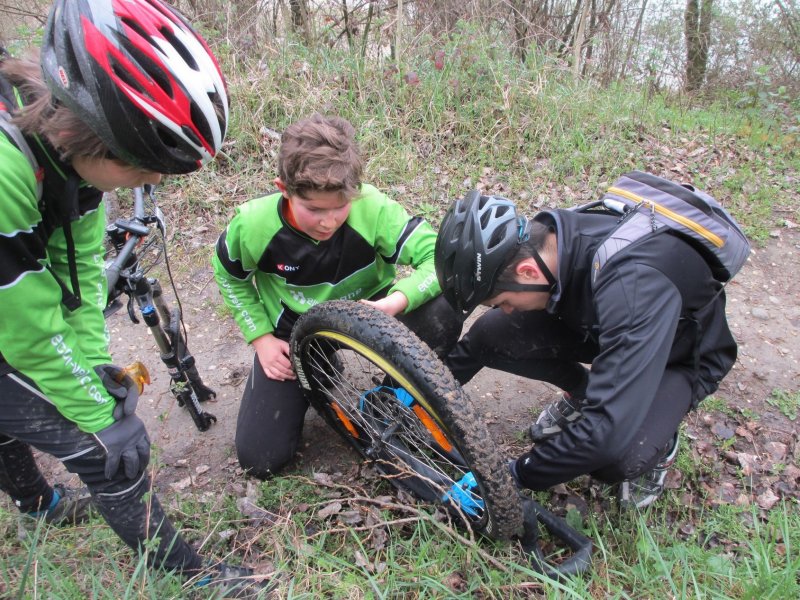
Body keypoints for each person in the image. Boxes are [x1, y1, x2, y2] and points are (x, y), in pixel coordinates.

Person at [0, 1, 271, 596]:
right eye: (148, 170)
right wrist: (101, 419)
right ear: (93, 135)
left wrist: (96, 363)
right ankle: (194, 581)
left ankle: (36, 503)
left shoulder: (63, 154)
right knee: (103, 452)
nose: (155, 186)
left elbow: (77, 280)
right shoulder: (4, 174)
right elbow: (26, 331)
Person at [436, 190, 738, 508]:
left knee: (616, 456)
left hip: (680, 355)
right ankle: (585, 394)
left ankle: (660, 438)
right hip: (603, 322)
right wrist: (423, 395)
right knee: (490, 334)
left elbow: (604, 434)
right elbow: (475, 346)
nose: (506, 309)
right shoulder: (548, 238)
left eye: (503, 301)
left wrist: (513, 476)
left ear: (527, 272)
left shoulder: (631, 287)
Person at [213, 113, 463, 479]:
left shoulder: (372, 207)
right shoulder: (252, 225)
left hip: (374, 315)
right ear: (283, 188)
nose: (329, 221)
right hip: (297, 332)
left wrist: (396, 302)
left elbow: (439, 259)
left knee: (445, 309)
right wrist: (262, 339)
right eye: (314, 209)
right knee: (260, 459)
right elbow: (230, 277)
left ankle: (395, 397)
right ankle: (321, 365)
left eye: (339, 207)